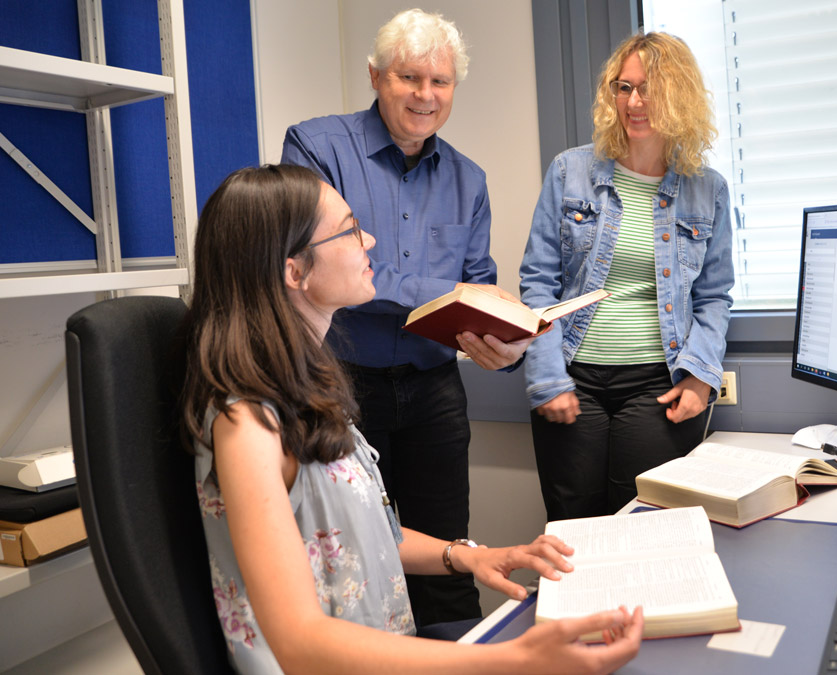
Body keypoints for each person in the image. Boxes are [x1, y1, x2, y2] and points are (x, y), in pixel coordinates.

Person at [179, 164, 643, 673]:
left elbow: (355, 537)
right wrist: (514, 660)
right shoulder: (246, 424)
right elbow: (300, 642)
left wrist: (469, 556)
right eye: (352, 229)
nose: (370, 240)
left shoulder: (305, 386)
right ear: (296, 271)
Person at [280, 9, 525, 626]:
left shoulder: (470, 180)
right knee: (349, 555)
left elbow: (479, 286)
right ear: (375, 76)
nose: (425, 95)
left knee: (449, 553)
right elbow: (325, 265)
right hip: (339, 381)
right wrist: (450, 291)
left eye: (440, 82)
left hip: (434, 390)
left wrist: (498, 338)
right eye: (409, 77)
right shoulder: (315, 147)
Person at [519, 33, 735, 521]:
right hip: (573, 376)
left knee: (640, 526)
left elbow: (715, 297)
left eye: (649, 88)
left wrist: (702, 377)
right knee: (574, 526)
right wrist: (547, 376)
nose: (634, 102)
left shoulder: (708, 190)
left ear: (679, 96)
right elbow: (538, 284)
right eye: (624, 87)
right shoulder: (569, 172)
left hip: (657, 384)